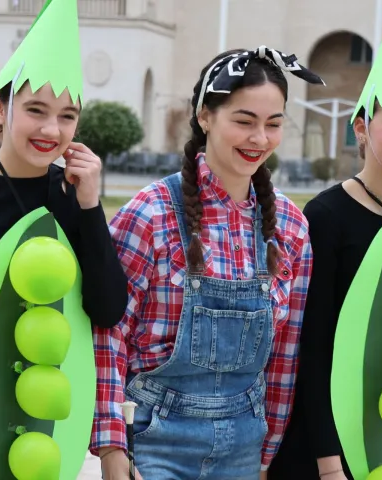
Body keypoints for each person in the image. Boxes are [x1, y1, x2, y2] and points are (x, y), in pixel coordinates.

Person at [90, 46, 325, 479]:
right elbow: (109, 333)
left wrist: (266, 454)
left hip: (244, 449)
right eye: (244, 121)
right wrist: (111, 447)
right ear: (205, 117)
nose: (260, 139)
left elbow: (285, 354)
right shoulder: (151, 212)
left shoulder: (291, 228)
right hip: (151, 443)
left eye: (273, 124)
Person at [0, 0, 128, 477]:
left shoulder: (72, 197)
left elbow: (107, 309)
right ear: (0, 106)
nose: (51, 129)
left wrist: (89, 206)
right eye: (36, 110)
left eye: (67, 116)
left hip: (46, 427)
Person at [268, 3, 382, 479]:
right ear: (362, 126)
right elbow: (313, 347)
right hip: (328, 448)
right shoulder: (326, 217)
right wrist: (329, 465)